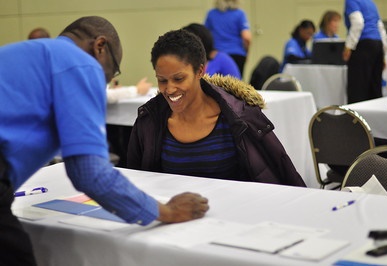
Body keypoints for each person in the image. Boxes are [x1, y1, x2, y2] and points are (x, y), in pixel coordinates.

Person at [0, 16, 209, 265]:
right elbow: (90, 173)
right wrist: (167, 212)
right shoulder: (81, 64)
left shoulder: (24, 53)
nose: (105, 82)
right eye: (110, 73)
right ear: (100, 46)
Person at [127, 29, 305, 187]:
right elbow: (137, 182)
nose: (170, 89)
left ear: (200, 71)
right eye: (162, 80)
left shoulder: (240, 118)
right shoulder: (149, 121)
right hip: (175, 220)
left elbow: (281, 173)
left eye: (179, 79)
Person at [343, 0, 387, 104]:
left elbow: (358, 23)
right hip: (378, 45)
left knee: (357, 89)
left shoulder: (352, 1)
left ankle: (356, 119)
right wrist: (384, 55)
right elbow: (381, 28)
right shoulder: (371, 3)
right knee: (375, 88)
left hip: (363, 46)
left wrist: (349, 46)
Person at [204, 0, 251, 77]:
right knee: (236, 85)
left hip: (216, 55)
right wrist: (246, 53)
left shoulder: (211, 14)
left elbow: (205, 35)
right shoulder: (239, 14)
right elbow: (246, 37)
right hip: (237, 55)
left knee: (215, 84)